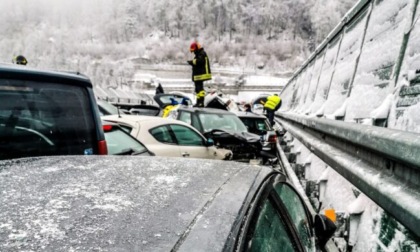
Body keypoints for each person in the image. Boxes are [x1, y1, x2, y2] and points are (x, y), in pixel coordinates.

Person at [187, 41, 212, 107]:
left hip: (201, 75)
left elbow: (199, 62)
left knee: (200, 89)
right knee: (198, 89)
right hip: (199, 75)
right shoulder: (199, 54)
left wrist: (191, 62)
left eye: (194, 51)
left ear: (196, 49)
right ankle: (198, 102)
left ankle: (201, 102)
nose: (193, 52)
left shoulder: (201, 53)